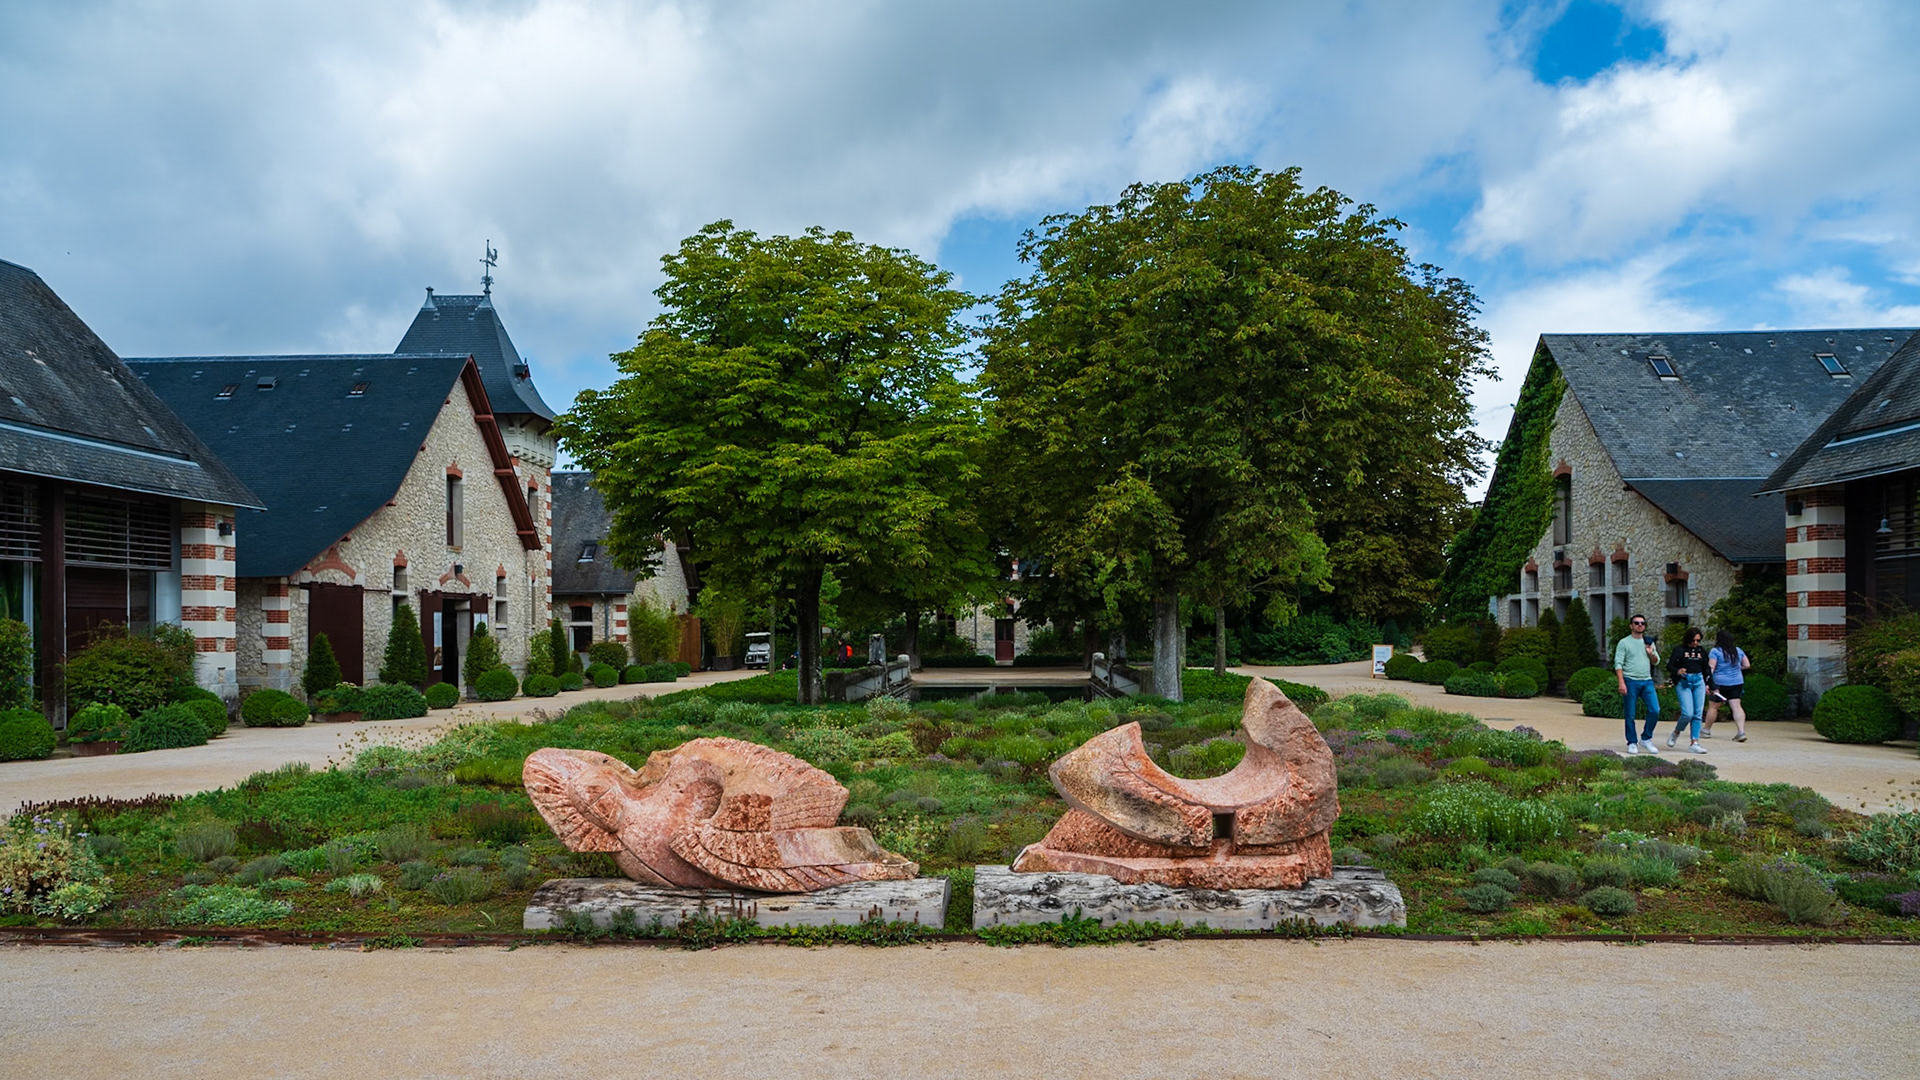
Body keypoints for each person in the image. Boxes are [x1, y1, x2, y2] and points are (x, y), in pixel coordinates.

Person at [1614, 614, 1662, 754]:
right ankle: (1632, 742)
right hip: (1630, 680)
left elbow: (1656, 661)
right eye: (1636, 623)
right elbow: (1618, 663)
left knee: (1655, 710)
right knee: (1630, 714)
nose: (1639, 625)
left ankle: (1646, 738)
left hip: (1647, 680)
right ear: (1631, 626)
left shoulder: (1648, 642)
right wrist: (1621, 682)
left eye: (1642, 623)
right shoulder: (1624, 643)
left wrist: (1650, 653)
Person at [1665, 626, 1710, 754]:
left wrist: (1710, 684)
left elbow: (1706, 668)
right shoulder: (1679, 650)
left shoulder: (1702, 651)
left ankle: (1694, 742)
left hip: (1698, 681)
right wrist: (1678, 671)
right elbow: (1670, 665)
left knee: (1698, 713)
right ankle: (1676, 732)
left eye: (1698, 641)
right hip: (1684, 681)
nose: (1695, 643)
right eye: (1693, 640)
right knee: (1687, 713)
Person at [1703, 629, 1751, 742]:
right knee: (1736, 706)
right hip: (1737, 682)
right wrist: (1738, 669)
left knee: (1714, 707)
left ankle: (1706, 730)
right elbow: (1747, 665)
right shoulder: (1738, 650)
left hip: (1719, 683)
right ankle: (1741, 731)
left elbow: (1711, 668)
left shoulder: (1715, 651)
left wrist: (1708, 683)